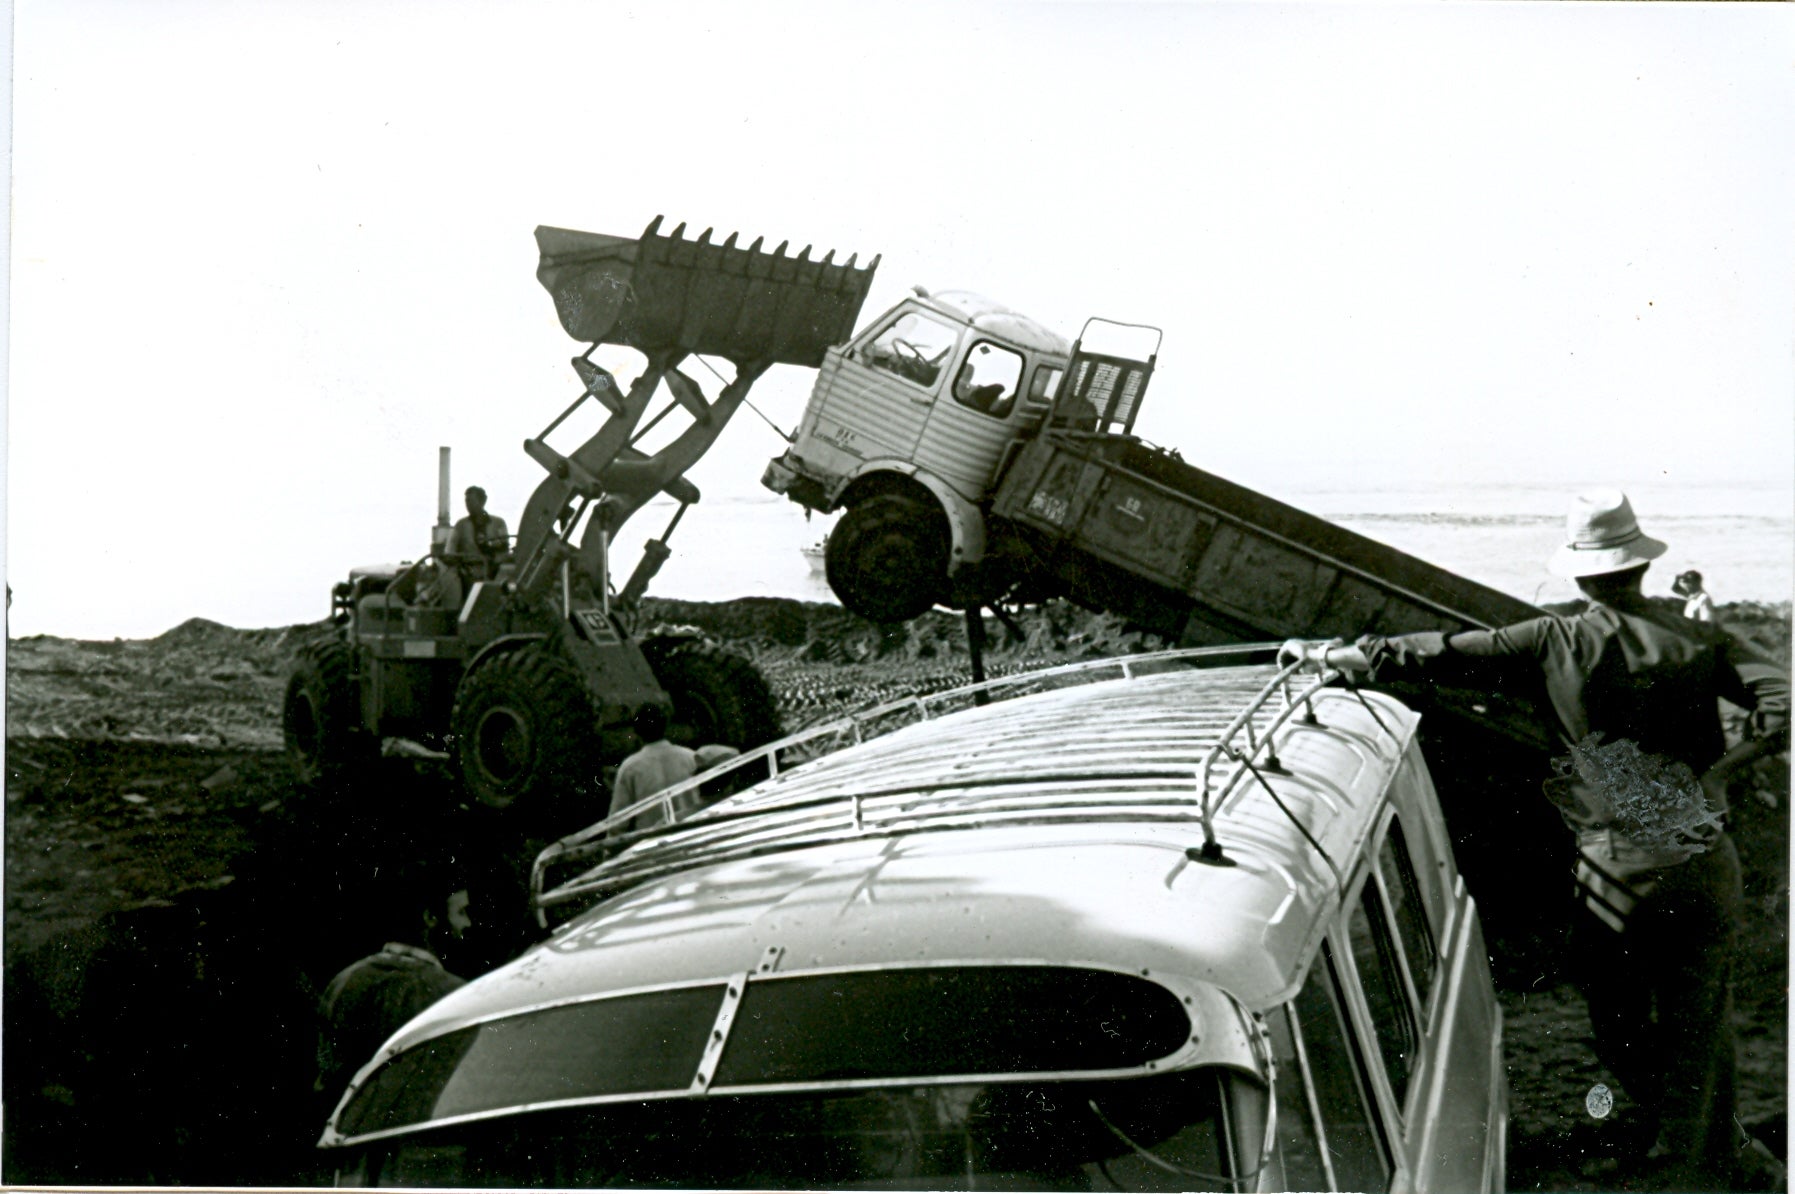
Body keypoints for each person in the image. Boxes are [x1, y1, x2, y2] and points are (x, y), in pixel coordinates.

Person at [1280, 489, 1788, 1192]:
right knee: (1699, 1021)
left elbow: (1441, 654)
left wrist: (1339, 656)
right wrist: (1724, 773)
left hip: (1617, 867)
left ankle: (1699, 1154)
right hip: (1704, 860)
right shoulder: (1700, 637)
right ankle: (1710, 1158)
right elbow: (1783, 701)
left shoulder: (1553, 639)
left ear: (1581, 576)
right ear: (1639, 568)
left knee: (1615, 1023)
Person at [314, 889, 466, 1111]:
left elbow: (326, 1081)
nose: (467, 924)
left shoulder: (344, 981)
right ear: (430, 918)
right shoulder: (453, 994)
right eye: (461, 912)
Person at [608, 704, 699, 831]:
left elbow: (617, 823)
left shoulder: (630, 768)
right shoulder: (692, 758)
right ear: (666, 726)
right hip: (691, 837)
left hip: (653, 844)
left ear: (636, 731)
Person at [439, 486, 511, 604]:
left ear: (483, 501)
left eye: (471, 500)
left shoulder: (498, 523)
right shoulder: (461, 525)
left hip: (494, 571)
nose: (468, 504)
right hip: (469, 572)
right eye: (466, 501)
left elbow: (504, 547)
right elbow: (450, 549)